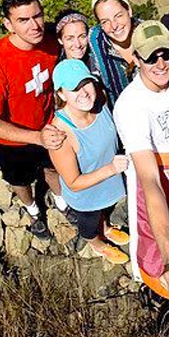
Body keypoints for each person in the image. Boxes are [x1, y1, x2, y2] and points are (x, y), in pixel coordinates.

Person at [0, 0, 70, 241]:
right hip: (13, 140)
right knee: (21, 180)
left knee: (53, 168)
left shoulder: (50, 39)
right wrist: (35, 137)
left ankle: (62, 203)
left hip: (47, 126)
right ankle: (33, 211)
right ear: (7, 24)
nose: (34, 26)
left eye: (37, 16)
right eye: (23, 20)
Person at [113, 20, 169, 292]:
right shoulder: (130, 106)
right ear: (136, 59)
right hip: (152, 172)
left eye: (166, 54)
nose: (160, 64)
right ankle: (158, 283)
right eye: (150, 57)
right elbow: (149, 180)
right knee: (156, 245)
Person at [48, 59, 130, 264]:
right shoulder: (60, 134)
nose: (83, 92)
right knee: (89, 222)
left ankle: (107, 228)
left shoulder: (99, 102)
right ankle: (97, 244)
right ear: (61, 94)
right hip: (86, 196)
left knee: (103, 212)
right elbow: (74, 183)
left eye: (86, 83)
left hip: (108, 183)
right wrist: (111, 169)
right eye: (74, 89)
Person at [88, 0, 138, 108]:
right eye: (105, 21)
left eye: (118, 16)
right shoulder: (97, 44)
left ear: (129, 11)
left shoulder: (148, 35)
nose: (114, 26)